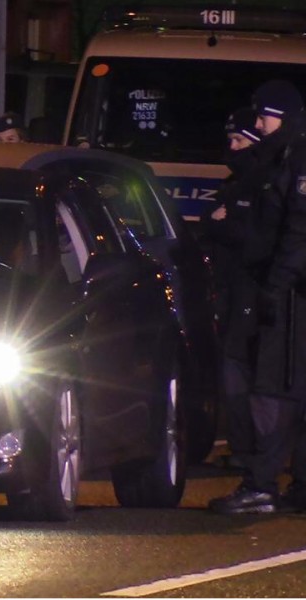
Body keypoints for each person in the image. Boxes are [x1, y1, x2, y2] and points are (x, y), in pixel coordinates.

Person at [209, 79, 306, 515]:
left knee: (275, 390)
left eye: (265, 116)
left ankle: (261, 485)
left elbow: (298, 231)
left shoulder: (296, 158)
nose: (260, 124)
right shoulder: (285, 156)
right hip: (288, 289)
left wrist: (276, 285)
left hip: (290, 296)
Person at [199, 107, 263, 470]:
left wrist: (219, 223)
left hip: (248, 294)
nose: (231, 147)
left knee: (240, 372)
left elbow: (246, 235)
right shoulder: (235, 185)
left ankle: (248, 451)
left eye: (238, 140)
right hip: (231, 292)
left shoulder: (259, 185)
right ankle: (245, 447)